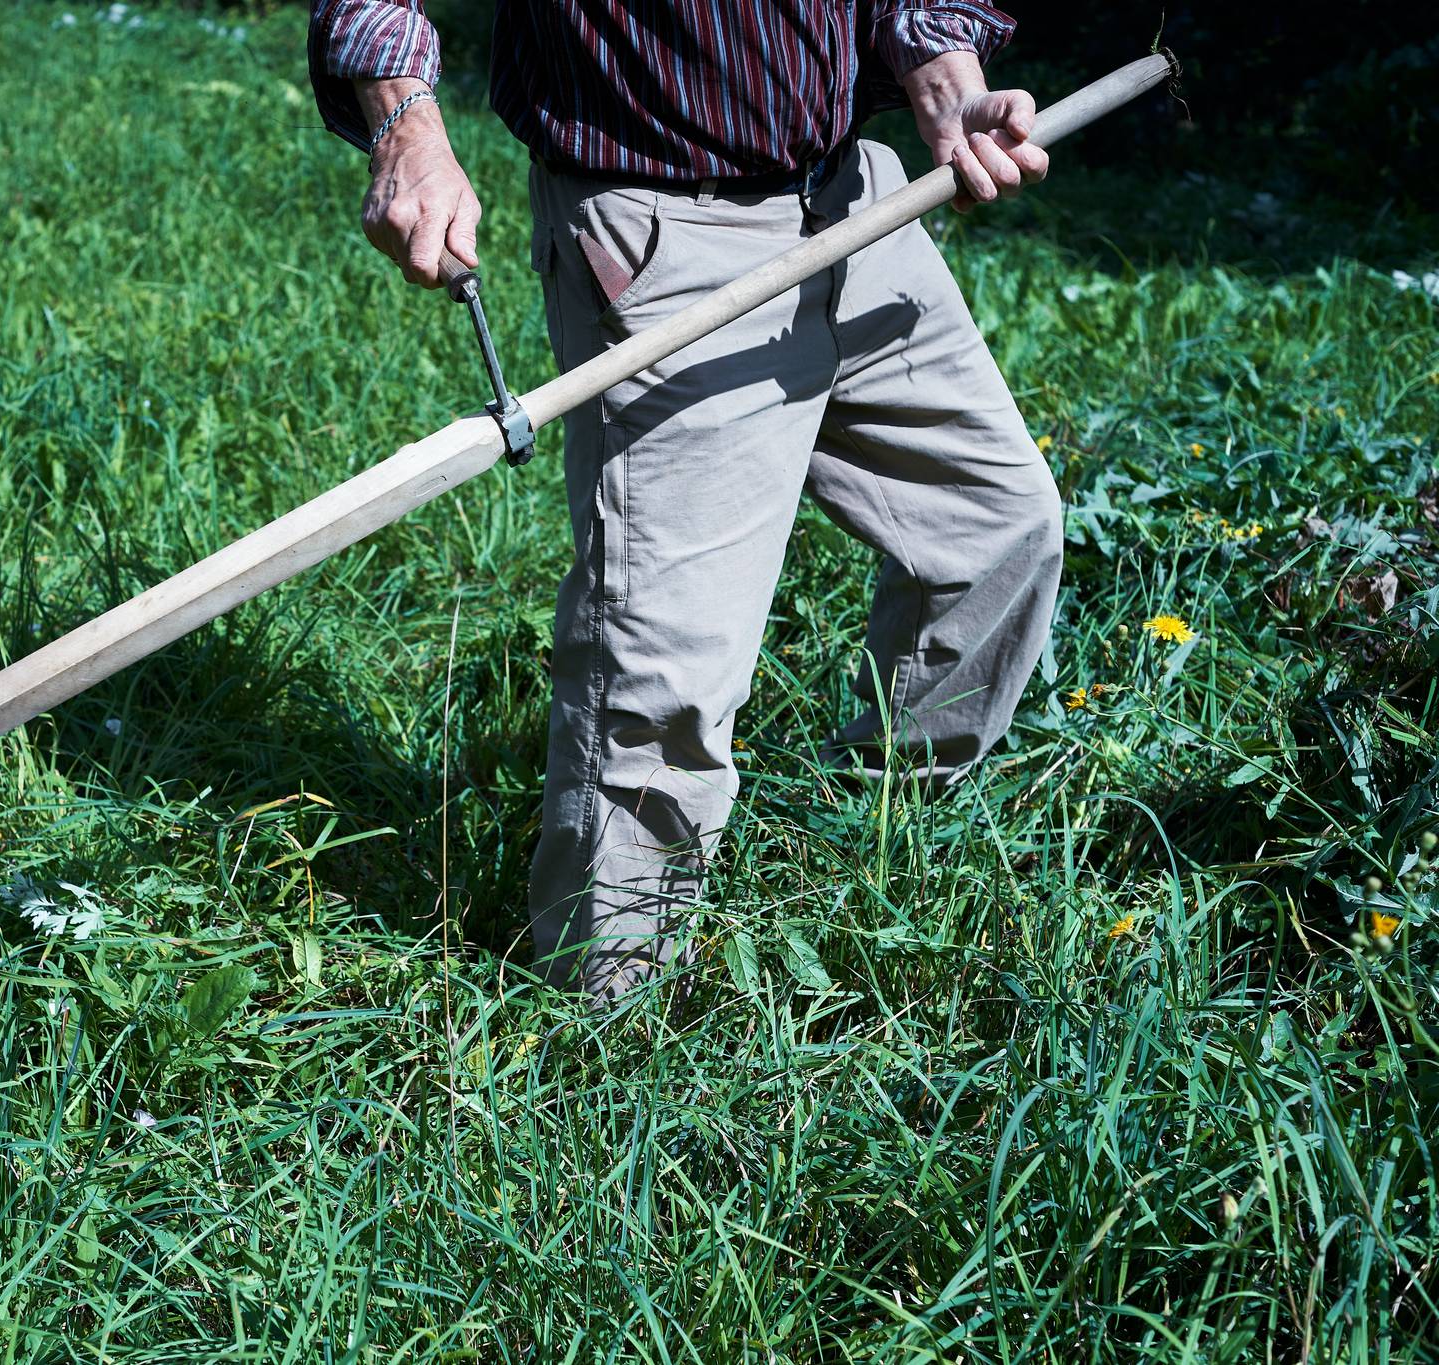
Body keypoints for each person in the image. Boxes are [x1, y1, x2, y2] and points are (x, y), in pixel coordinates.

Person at [308, 0, 1061, 998]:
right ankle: (603, 1029)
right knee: (662, 680)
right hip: (664, 231)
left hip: (852, 199)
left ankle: (868, 849)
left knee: (995, 529)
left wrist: (941, 64)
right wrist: (404, 125)